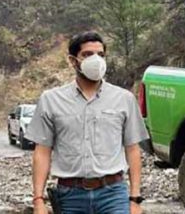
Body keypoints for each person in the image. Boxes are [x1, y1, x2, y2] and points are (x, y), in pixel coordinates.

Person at [27, 32, 149, 214]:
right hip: (70, 196)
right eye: (87, 54)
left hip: (113, 195)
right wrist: (38, 200)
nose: (96, 60)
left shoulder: (124, 99)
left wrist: (135, 199)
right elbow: (42, 152)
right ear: (73, 60)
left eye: (100, 55)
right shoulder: (51, 100)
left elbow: (132, 150)